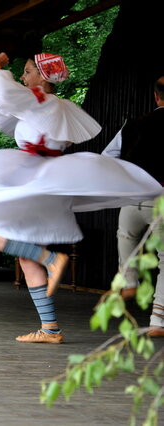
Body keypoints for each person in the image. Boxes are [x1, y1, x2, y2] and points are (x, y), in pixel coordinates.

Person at [0, 53, 162, 343]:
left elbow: (4, 93)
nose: (23, 77)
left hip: (34, 182)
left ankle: (49, 258)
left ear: (42, 76)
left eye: (27, 72)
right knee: (25, 258)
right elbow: (12, 113)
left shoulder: (37, 100)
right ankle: (50, 328)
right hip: (49, 185)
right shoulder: (60, 107)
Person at [102, 75, 164, 337]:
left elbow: (108, 157)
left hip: (133, 197)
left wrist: (129, 178)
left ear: (156, 97)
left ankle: (129, 281)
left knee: (126, 236)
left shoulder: (133, 125)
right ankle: (158, 320)